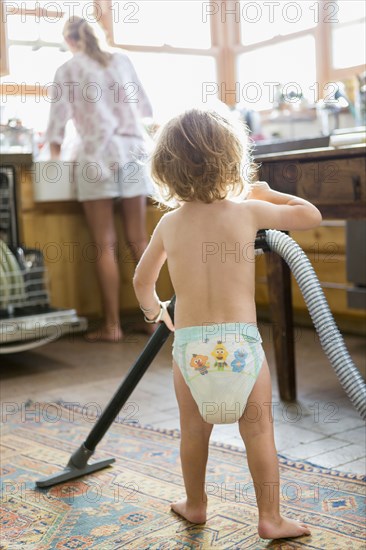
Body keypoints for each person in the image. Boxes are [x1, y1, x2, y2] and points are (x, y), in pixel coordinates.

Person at [133, 109, 322, 539]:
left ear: (165, 168)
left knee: (193, 433)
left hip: (191, 349)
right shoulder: (248, 212)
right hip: (241, 346)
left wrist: (154, 311)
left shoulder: (169, 223)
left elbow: (142, 280)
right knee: (258, 431)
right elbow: (310, 215)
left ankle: (196, 504)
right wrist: (269, 192)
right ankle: (270, 518)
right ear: (232, 160)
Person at [46, 16, 154, 341]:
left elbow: (55, 126)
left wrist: (53, 161)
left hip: (95, 157)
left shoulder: (67, 70)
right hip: (134, 152)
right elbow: (145, 108)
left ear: (69, 40)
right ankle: (152, 320)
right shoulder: (121, 60)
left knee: (103, 244)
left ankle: (112, 326)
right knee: (139, 240)